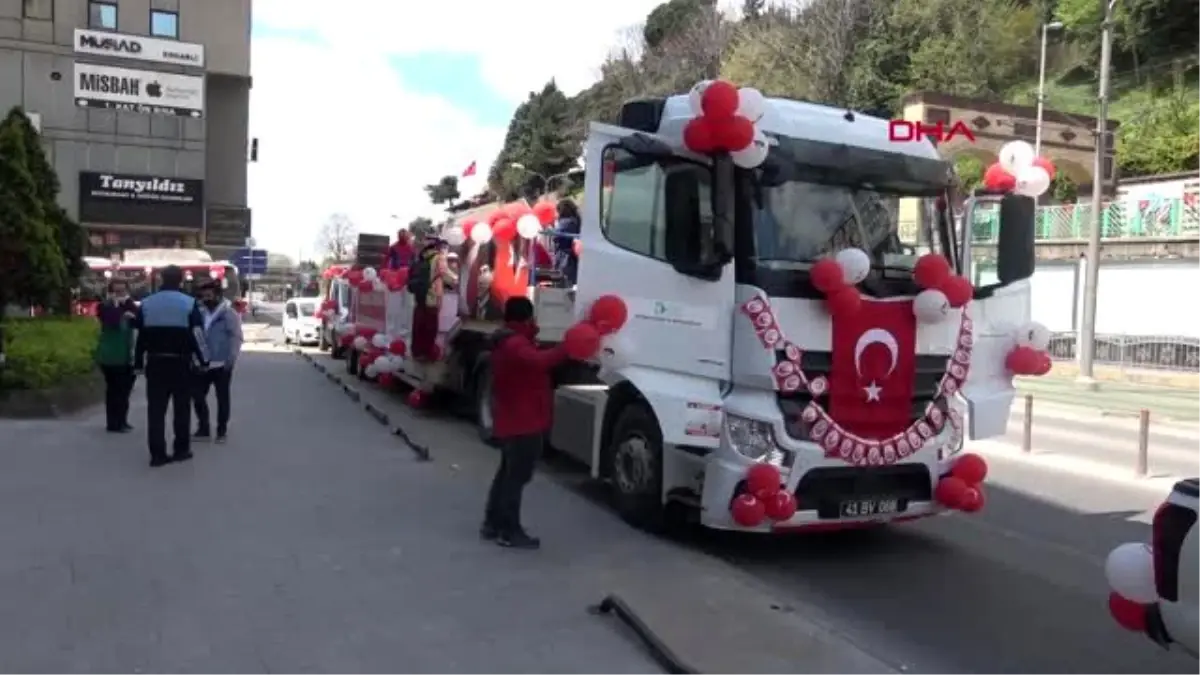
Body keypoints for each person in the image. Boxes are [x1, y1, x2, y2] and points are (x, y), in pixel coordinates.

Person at [480, 296, 569, 549]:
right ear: (528, 317)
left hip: (513, 417)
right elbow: (540, 361)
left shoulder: (507, 340)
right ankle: (508, 530)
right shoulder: (516, 344)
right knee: (516, 478)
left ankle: (493, 522)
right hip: (523, 420)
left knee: (507, 474)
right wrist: (567, 348)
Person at [134, 265, 209, 467]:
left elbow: (139, 336)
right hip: (181, 364)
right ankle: (181, 450)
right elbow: (198, 335)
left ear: (161, 279)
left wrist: (138, 362)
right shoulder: (189, 303)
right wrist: (204, 360)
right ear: (181, 280)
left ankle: (157, 455)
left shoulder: (147, 304)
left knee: (156, 411)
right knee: (181, 409)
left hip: (156, 363)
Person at [193, 280, 243, 443]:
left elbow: (236, 337)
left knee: (222, 398)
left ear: (218, 295)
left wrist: (232, 358)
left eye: (209, 295)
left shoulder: (229, 314)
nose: (207, 299)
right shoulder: (199, 312)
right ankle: (204, 429)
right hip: (202, 363)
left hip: (222, 364)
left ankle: (221, 431)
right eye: (204, 296)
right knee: (198, 396)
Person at [94, 280, 138, 432]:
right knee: (115, 389)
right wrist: (119, 309)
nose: (119, 295)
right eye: (116, 292)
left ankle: (122, 420)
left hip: (127, 355)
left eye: (122, 291)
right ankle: (113, 422)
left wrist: (126, 306)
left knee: (125, 390)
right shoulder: (104, 307)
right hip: (111, 355)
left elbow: (137, 319)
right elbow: (110, 320)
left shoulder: (129, 305)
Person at [407, 236, 458, 361]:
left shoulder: (420, 258)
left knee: (419, 327)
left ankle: (416, 353)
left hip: (419, 298)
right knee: (430, 328)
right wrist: (457, 280)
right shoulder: (438, 257)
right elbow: (445, 274)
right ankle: (427, 354)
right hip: (432, 298)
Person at [552, 199, 581, 285]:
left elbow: (556, 236)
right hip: (571, 256)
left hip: (565, 256)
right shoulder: (576, 220)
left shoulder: (566, 222)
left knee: (563, 280)